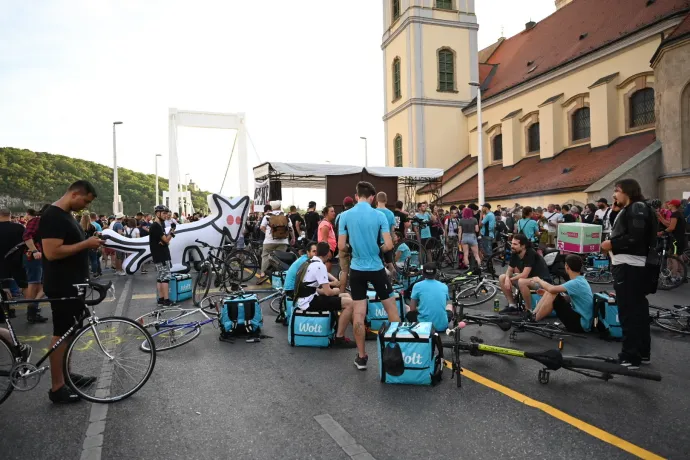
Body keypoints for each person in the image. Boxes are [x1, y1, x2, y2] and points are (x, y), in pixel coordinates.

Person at [38, 180, 104, 403]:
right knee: (61, 333)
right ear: (75, 194)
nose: (85, 206)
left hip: (73, 284)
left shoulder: (66, 215)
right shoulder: (53, 216)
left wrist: (88, 242)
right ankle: (57, 387)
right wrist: (86, 245)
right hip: (62, 285)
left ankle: (66, 375)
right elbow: (52, 252)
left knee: (70, 333)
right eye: (85, 201)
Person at [338, 181, 399, 370]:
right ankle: (397, 349)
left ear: (356, 196)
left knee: (359, 313)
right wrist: (378, 248)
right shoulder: (379, 215)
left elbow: (341, 246)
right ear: (372, 198)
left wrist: (353, 248)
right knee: (391, 310)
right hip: (376, 267)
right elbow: (389, 245)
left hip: (357, 269)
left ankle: (362, 357)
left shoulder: (344, 216)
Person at [601, 179, 656, 368]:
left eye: (616, 191)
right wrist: (615, 211)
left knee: (629, 313)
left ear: (628, 192)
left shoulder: (636, 208)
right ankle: (641, 352)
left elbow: (635, 236)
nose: (613, 195)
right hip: (630, 266)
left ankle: (630, 356)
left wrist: (611, 244)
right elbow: (621, 229)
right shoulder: (631, 208)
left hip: (629, 267)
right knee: (638, 312)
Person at [295, 242, 355, 348]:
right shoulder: (320, 266)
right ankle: (339, 338)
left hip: (305, 298)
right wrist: (337, 290)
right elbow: (328, 292)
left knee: (346, 297)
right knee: (349, 303)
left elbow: (315, 288)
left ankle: (351, 327)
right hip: (309, 302)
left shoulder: (310, 262)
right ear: (328, 254)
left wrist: (336, 289)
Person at [528, 255, 593, 332]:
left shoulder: (575, 282)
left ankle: (534, 320)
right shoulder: (581, 280)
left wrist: (539, 280)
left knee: (552, 292)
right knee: (551, 292)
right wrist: (547, 293)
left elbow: (552, 289)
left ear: (567, 266)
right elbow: (566, 296)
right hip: (583, 321)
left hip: (581, 324)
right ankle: (533, 315)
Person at [498, 234, 552, 314]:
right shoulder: (515, 253)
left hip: (541, 281)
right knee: (502, 277)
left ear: (523, 246)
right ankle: (512, 305)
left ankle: (528, 310)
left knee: (522, 281)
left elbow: (524, 275)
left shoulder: (530, 253)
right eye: (512, 243)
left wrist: (510, 279)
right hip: (528, 279)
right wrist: (506, 279)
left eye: (515, 244)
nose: (512, 246)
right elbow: (509, 270)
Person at [0, 208, 29, 320]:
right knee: (24, 285)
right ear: (10, 215)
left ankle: (8, 310)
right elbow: (27, 242)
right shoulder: (19, 227)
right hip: (17, 260)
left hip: (1, 262)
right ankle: (31, 309)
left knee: (4, 286)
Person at [407, 263, 453, 332]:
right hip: (442, 327)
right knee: (449, 306)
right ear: (436, 273)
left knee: (407, 309)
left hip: (424, 327)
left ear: (422, 273)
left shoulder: (417, 286)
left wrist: (421, 309)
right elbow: (442, 305)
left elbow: (412, 308)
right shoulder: (444, 286)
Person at [22, 208, 48, 323]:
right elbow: (27, 236)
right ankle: (31, 311)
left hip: (41, 256)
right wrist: (34, 251)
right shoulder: (37, 220)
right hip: (34, 257)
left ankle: (33, 307)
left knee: (40, 283)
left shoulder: (44, 221)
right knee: (34, 283)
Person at [259, 200, 295, 280]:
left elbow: (261, 227)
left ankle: (262, 273)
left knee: (265, 256)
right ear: (280, 207)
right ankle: (278, 276)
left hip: (269, 241)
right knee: (280, 259)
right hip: (283, 241)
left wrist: (268, 233)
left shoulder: (267, 216)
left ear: (272, 207)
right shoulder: (285, 215)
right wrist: (293, 238)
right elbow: (291, 228)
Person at [149, 205, 176, 307]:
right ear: (157, 213)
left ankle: (161, 299)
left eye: (166, 213)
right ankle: (166, 300)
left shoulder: (159, 225)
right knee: (165, 278)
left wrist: (168, 234)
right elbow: (166, 241)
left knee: (160, 277)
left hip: (158, 255)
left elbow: (164, 240)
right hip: (162, 255)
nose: (166, 215)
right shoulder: (156, 226)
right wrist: (172, 232)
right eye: (164, 213)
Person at [335, 196, 355, 292]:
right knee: (355, 270)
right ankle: (355, 292)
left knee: (344, 271)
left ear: (344, 205)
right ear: (353, 204)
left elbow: (336, 230)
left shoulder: (339, 216)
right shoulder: (355, 215)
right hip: (354, 246)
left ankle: (342, 293)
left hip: (342, 245)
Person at [375, 192, 397, 274]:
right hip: (387, 242)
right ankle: (393, 280)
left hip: (376, 242)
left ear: (377, 200)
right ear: (386, 200)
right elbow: (392, 230)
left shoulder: (374, 212)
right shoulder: (391, 214)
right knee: (390, 263)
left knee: (378, 265)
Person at [80, 213, 102, 280]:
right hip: (92, 244)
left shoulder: (79, 226)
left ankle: (85, 274)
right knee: (94, 259)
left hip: (83, 245)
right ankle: (95, 273)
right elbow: (96, 235)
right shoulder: (93, 227)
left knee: (85, 260)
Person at [317, 205, 337, 271]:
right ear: (326, 214)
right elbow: (324, 240)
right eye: (331, 211)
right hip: (327, 250)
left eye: (334, 211)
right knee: (326, 272)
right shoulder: (325, 224)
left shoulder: (327, 223)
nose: (334, 213)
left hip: (330, 250)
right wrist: (328, 252)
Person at [479, 203, 496, 267]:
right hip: (490, 234)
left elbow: (480, 224)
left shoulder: (488, 215)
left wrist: (481, 216)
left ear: (486, 207)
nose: (482, 209)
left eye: (483, 207)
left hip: (486, 235)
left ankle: (490, 266)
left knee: (488, 252)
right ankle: (490, 266)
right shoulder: (492, 214)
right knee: (489, 251)